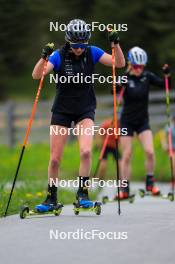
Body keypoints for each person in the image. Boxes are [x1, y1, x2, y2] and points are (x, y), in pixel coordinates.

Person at [32, 19, 125, 211]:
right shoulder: (59, 55)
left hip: (85, 108)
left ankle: (82, 194)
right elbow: (36, 75)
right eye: (75, 45)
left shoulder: (93, 52)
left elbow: (119, 63)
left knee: (86, 151)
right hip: (62, 110)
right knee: (55, 158)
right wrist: (44, 57)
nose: (79, 49)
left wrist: (115, 44)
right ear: (68, 41)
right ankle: (51, 198)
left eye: (82, 45)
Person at [118, 46, 170, 199]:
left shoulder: (147, 76)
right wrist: (118, 85)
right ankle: (124, 189)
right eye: (135, 66)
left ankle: (150, 183)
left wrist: (167, 76)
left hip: (142, 121)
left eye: (141, 66)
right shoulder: (126, 78)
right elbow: (113, 91)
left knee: (150, 151)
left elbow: (166, 85)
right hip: (126, 121)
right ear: (130, 64)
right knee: (127, 155)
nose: (139, 69)